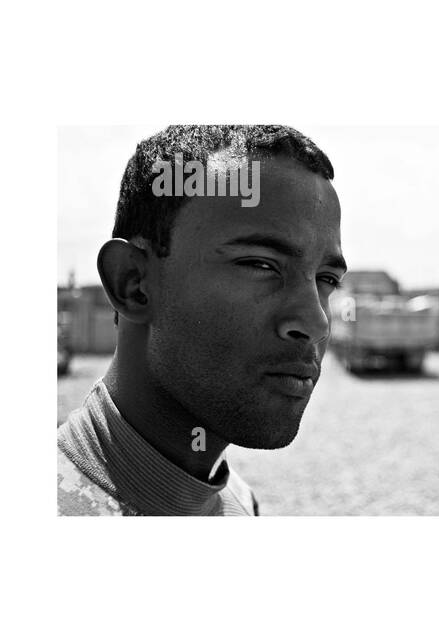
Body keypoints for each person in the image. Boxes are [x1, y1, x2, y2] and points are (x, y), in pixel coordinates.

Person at [58, 125, 346, 516]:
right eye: (260, 264)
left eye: (326, 279)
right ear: (135, 284)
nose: (316, 322)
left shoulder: (237, 503)